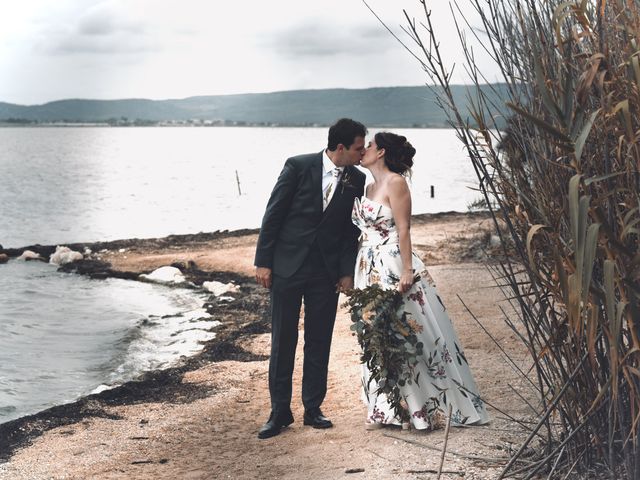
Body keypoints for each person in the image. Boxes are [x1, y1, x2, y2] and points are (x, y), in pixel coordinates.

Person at [352, 131, 490, 430]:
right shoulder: (368, 184)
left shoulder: (395, 182)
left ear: (382, 152)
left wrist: (405, 270)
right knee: (378, 333)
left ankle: (424, 408)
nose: (363, 150)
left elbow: (404, 229)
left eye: (369, 146)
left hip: (391, 263)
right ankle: (391, 407)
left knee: (409, 331)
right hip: (368, 266)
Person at [254, 118, 367, 439]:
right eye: (358, 148)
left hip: (325, 274)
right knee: (283, 341)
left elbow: (350, 232)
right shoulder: (298, 166)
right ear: (341, 147)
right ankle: (279, 412)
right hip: (287, 268)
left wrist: (346, 271)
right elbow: (273, 214)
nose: (362, 154)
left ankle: (313, 408)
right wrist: (263, 262)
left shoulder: (356, 180)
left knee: (319, 340)